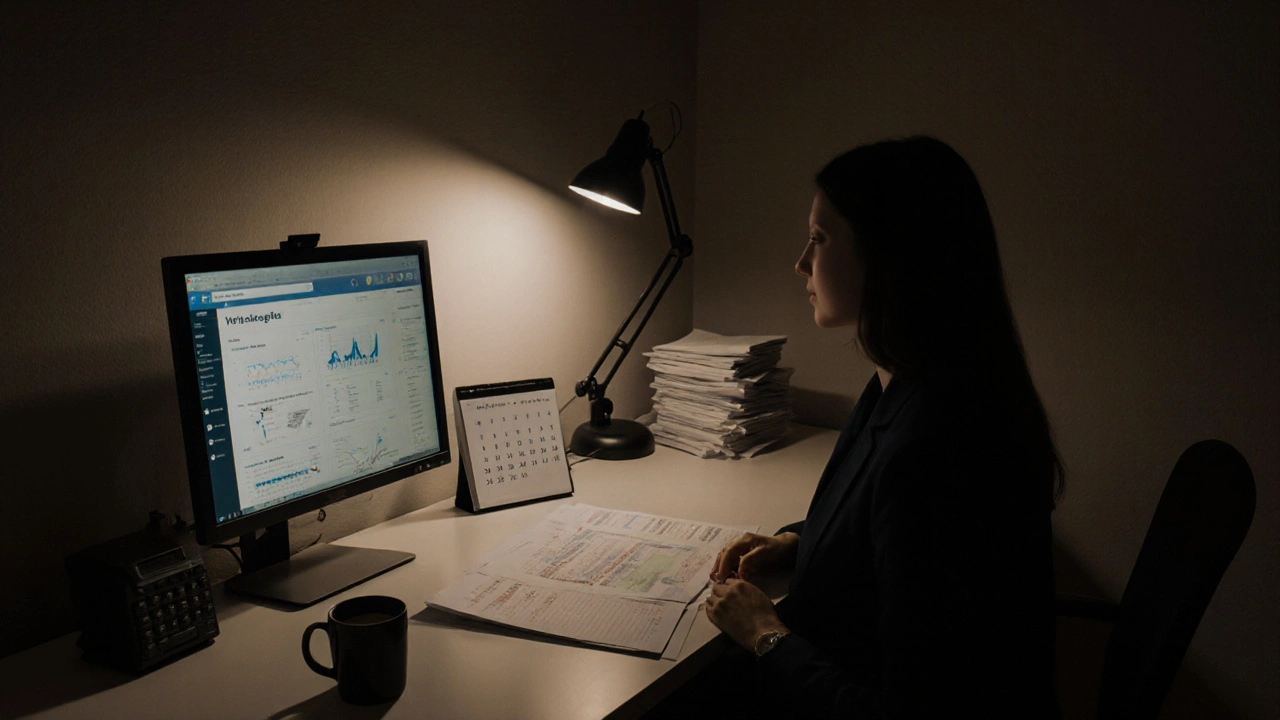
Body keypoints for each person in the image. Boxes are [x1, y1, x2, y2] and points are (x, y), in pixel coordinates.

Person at [649, 136, 1063, 719]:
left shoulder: (938, 446)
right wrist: (798, 541)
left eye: (819, 239)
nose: (801, 263)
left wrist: (765, 634)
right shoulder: (908, 382)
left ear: (888, 256)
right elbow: (886, 530)